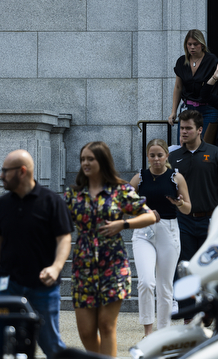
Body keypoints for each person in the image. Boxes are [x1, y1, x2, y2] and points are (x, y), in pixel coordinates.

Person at [64, 142, 156, 356]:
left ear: (102, 162)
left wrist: (123, 224)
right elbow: (60, 228)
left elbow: (149, 215)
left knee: (106, 326)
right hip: (83, 267)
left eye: (90, 159)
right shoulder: (74, 194)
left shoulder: (119, 190)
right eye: (83, 159)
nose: (85, 163)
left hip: (113, 265)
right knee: (86, 332)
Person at [0, 149, 72, 359]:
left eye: (5, 171)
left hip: (43, 287)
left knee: (51, 344)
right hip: (9, 285)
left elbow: (64, 239)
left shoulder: (51, 201)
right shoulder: (3, 204)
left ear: (22, 171)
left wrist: (56, 267)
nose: (1, 176)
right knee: (3, 342)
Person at [169, 110, 218, 314]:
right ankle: (187, 315)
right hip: (182, 221)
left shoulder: (215, 153)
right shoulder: (173, 158)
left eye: (188, 128)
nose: (184, 132)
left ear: (200, 130)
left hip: (209, 221)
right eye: (182, 128)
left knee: (210, 269)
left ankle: (211, 313)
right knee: (184, 269)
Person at [129, 139, 192, 335]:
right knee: (146, 281)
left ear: (166, 156)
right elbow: (125, 205)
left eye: (160, 155)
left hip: (168, 231)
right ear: (148, 157)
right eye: (152, 155)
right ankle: (148, 331)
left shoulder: (176, 177)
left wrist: (179, 203)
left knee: (165, 287)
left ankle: (163, 333)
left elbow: (189, 208)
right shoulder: (140, 178)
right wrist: (136, 206)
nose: (156, 159)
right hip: (143, 232)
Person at [168, 29, 218, 135]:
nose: (192, 47)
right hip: (187, 108)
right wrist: (173, 111)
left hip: (208, 109)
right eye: (189, 44)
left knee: (205, 145)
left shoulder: (212, 60)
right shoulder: (181, 61)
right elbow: (178, 87)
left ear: (202, 44)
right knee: (185, 144)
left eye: (195, 44)